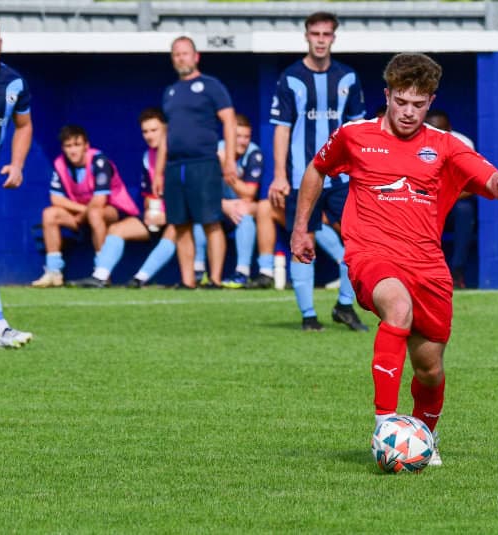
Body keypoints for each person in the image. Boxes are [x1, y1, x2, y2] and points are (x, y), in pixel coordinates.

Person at [290, 53, 498, 466]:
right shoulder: (354, 135)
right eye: (401, 101)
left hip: (427, 265)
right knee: (397, 307)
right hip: (371, 254)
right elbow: (316, 169)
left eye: (418, 104)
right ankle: (385, 426)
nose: (408, 112)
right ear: (387, 95)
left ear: (430, 101)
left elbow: (486, 176)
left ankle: (423, 437)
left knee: (429, 369)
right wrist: (300, 228)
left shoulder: (445, 145)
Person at [267, 11, 367, 331]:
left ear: (333, 38)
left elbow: (358, 130)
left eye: (326, 34)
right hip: (301, 176)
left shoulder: (347, 77)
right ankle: (308, 316)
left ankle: (345, 305)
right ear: (306, 36)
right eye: (315, 34)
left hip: (341, 177)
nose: (320, 40)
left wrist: (362, 170)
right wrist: (279, 175)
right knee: (303, 239)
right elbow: (282, 129)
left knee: (358, 239)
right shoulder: (290, 77)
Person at [154, 36, 237, 289]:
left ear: (196, 56)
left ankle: (215, 279)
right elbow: (165, 135)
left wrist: (230, 159)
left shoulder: (211, 86)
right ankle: (188, 281)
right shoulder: (170, 92)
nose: (181, 58)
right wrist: (158, 172)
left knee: (210, 221)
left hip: (204, 163)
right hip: (175, 167)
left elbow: (229, 121)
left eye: (185, 53)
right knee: (180, 224)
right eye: (176, 55)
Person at [73, 108, 181, 288]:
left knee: (176, 229)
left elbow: (189, 196)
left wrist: (167, 216)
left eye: (154, 130)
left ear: (166, 128)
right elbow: (149, 194)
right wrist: (151, 212)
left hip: (180, 216)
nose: (149, 136)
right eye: (145, 131)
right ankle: (100, 276)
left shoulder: (180, 154)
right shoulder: (148, 156)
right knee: (117, 229)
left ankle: (139, 279)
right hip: (159, 216)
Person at [31, 125, 138, 287]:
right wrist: (82, 213)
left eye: (77, 145)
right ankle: (54, 272)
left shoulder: (99, 161)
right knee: (49, 214)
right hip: (82, 213)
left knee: (95, 213)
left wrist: (85, 214)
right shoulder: (60, 164)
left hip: (114, 211)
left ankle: (102, 272)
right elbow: (56, 199)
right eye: (68, 146)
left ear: (86, 146)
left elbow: (100, 200)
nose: (73, 150)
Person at [0, 14, 33, 347]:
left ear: (0, 43)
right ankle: (0, 329)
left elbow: (24, 126)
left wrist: (17, 164)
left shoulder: (14, 84)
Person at [192, 113, 260, 289]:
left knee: (244, 214)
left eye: (246, 136)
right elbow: (200, 192)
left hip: (239, 209)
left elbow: (249, 194)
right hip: (217, 207)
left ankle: (242, 272)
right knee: (200, 216)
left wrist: (227, 169)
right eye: (238, 136)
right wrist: (223, 204)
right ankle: (198, 271)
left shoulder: (253, 153)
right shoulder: (215, 152)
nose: (243, 141)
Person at [425, 109, 476, 288]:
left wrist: (442, 200)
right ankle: (425, 274)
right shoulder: (415, 142)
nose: (438, 133)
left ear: (450, 129)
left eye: (442, 129)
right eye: (433, 129)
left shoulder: (463, 143)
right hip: (423, 202)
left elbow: (471, 187)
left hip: (452, 202)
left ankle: (457, 272)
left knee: (465, 210)